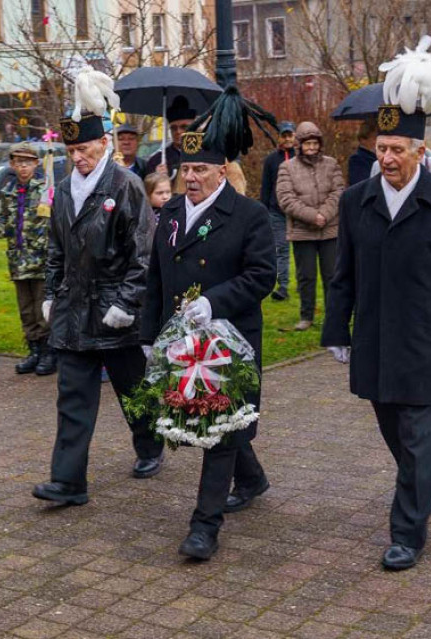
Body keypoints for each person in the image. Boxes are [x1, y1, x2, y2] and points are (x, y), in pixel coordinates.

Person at [323, 41, 431, 571]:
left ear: (421, 153)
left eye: (398, 149)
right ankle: (429, 478)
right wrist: (336, 330)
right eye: (382, 149)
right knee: (392, 427)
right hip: (373, 334)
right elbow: (341, 273)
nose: (387, 158)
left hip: (424, 338)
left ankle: (407, 532)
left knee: (417, 431)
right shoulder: (356, 201)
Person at [140, 86, 276, 561]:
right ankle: (253, 478)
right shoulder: (172, 211)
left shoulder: (248, 215)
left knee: (216, 429)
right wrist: (147, 335)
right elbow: (157, 275)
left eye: (201, 169)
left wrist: (213, 303)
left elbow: (263, 275)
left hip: (227, 341)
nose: (191, 177)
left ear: (223, 170)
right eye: (185, 169)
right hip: (180, 340)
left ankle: (204, 527)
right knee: (214, 423)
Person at [34, 69, 164, 509]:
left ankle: (150, 445)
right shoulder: (65, 191)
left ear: (103, 144)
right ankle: (69, 482)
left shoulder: (124, 185)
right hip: (74, 310)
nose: (78, 158)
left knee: (132, 388)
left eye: (85, 149)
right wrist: (51, 294)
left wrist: (127, 303)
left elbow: (143, 252)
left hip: (114, 310)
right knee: (73, 397)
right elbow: (57, 248)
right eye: (72, 150)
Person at [0, 142, 54, 376]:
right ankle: (33, 350)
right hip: (19, 260)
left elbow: (56, 223)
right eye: (18, 163)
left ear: (36, 163)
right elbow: (6, 225)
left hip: (41, 260)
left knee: (43, 308)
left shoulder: (45, 189)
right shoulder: (8, 192)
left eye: (27, 162)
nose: (23, 167)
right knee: (26, 310)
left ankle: (48, 352)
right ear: (12, 165)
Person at [275, 121, 345, 332]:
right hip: (302, 231)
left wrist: (325, 213)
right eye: (308, 144)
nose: (312, 148)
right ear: (300, 145)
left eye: (315, 143)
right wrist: (312, 216)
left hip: (330, 229)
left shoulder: (331, 164)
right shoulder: (287, 167)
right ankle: (306, 316)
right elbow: (285, 198)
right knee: (306, 277)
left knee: (332, 275)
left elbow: (339, 191)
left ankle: (334, 316)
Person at [260, 121, 297, 301]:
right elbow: (266, 187)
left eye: (290, 135)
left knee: (301, 249)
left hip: (298, 211)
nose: (287, 138)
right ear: (279, 137)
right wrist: (264, 211)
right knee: (281, 249)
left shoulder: (301, 157)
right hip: (277, 211)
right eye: (284, 135)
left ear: (295, 136)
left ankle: (304, 283)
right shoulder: (271, 160)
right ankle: (283, 285)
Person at [144, 95, 195, 183]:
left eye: (184, 127)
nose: (178, 131)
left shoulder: (204, 156)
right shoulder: (157, 161)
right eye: (174, 128)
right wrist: (157, 179)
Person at [346, 118, 378, 185]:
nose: (377, 142)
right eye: (374, 138)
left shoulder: (380, 156)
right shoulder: (357, 159)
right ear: (363, 140)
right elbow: (360, 185)